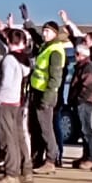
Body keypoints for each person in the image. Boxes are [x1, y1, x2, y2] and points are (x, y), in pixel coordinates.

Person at [26, 18, 67, 174]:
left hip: (46, 95)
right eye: (44, 30)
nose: (44, 33)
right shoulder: (46, 46)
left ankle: (51, 159)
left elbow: (55, 78)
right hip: (37, 92)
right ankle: (37, 158)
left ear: (55, 34)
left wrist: (47, 98)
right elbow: (37, 37)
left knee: (46, 128)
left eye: (48, 31)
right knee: (36, 128)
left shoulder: (55, 50)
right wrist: (28, 23)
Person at [0, 28, 32, 183]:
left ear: (9, 42)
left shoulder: (9, 60)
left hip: (6, 101)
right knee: (19, 136)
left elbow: (6, 83)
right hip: (19, 101)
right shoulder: (25, 59)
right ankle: (26, 169)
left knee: (7, 138)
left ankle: (11, 172)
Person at [69, 42, 92, 170]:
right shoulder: (80, 67)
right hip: (80, 102)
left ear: (82, 55)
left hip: (84, 102)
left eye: (77, 54)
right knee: (82, 130)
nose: (75, 56)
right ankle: (86, 155)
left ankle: (91, 157)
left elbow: (89, 86)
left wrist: (79, 99)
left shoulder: (88, 68)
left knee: (87, 130)